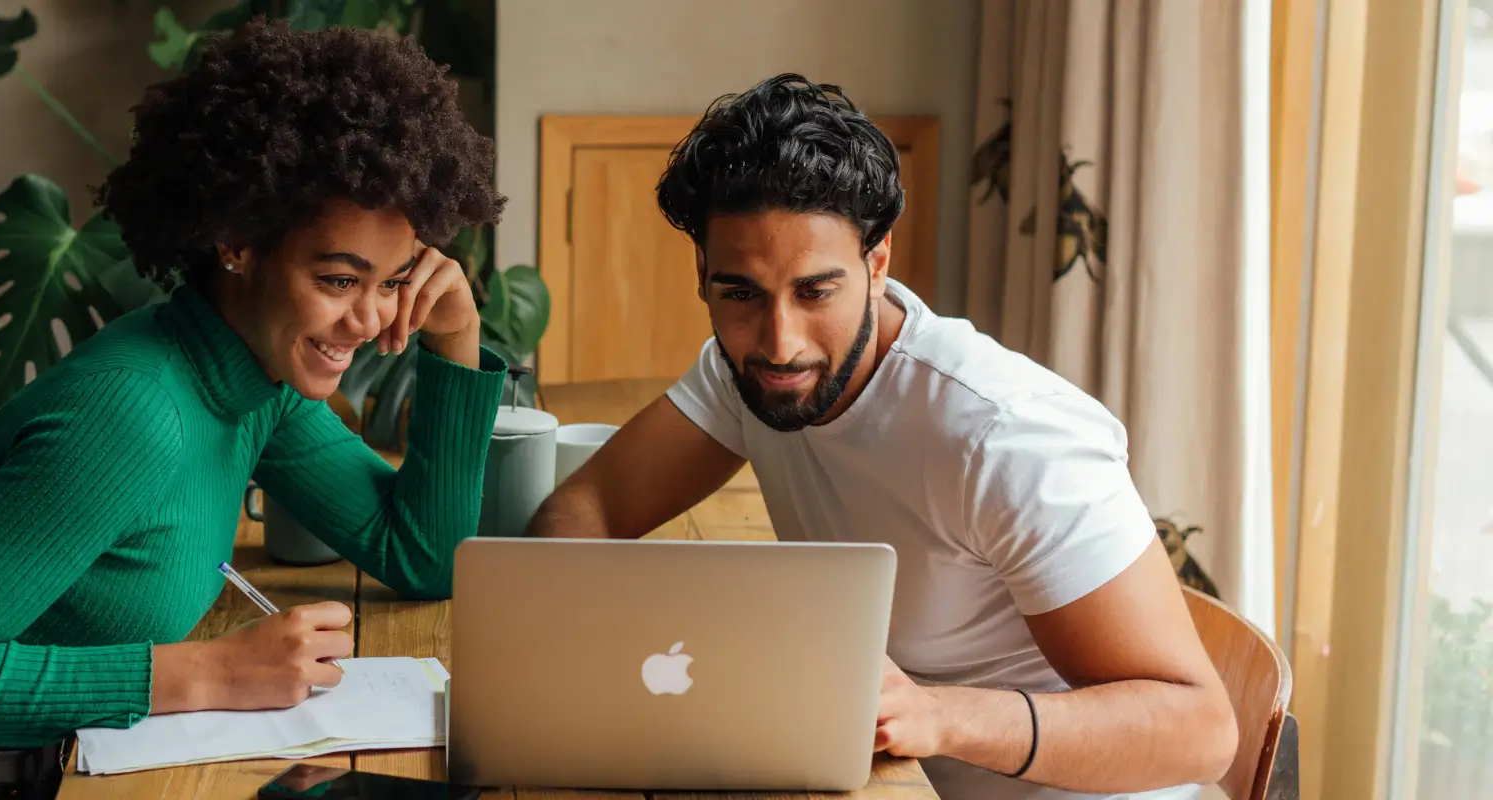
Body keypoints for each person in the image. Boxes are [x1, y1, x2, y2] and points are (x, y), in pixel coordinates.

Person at [0, 20, 507, 799]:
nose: (373, 320)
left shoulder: (254, 384)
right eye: (340, 281)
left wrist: (457, 336)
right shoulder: (129, 415)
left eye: (393, 281)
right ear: (238, 243)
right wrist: (207, 671)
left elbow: (422, 556)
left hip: (70, 765)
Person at [525, 74, 1238, 800]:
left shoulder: (1005, 434)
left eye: (816, 291)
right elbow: (589, 507)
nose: (780, 342)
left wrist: (940, 715)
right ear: (703, 274)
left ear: (877, 263)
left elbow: (1202, 730)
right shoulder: (745, 373)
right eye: (740, 293)